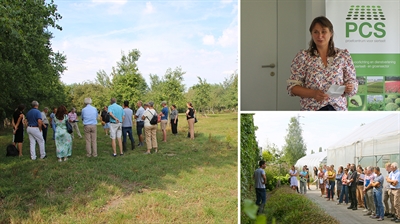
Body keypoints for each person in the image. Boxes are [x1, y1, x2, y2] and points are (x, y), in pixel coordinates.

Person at [287, 16, 357, 111]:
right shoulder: (303, 56)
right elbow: (292, 88)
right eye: (316, 32)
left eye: (324, 32)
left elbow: (352, 83)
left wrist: (350, 87)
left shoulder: (343, 55)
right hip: (312, 110)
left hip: (337, 109)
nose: (320, 36)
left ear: (331, 33)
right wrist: (313, 94)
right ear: (311, 34)